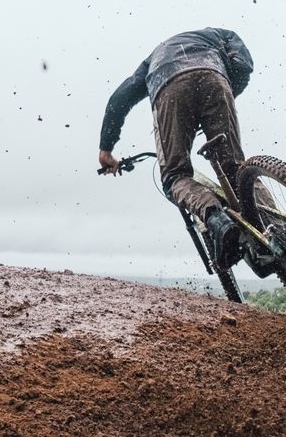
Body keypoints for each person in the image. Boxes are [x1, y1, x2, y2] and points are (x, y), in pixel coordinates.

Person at [97, 27, 260, 267]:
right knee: (236, 169)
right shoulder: (220, 35)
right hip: (214, 76)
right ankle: (282, 234)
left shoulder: (155, 57)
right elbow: (243, 66)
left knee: (175, 176)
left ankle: (217, 220)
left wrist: (106, 148)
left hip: (169, 85)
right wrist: (222, 99)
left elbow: (120, 99)